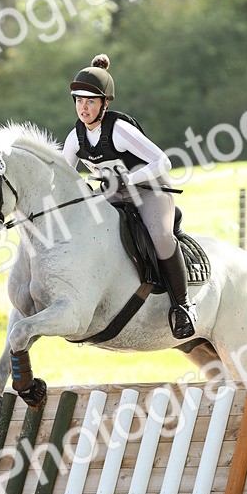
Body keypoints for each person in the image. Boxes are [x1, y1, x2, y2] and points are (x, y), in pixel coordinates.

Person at [62, 53, 197, 340]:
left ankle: (184, 307)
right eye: (79, 101)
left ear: (104, 104)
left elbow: (163, 161)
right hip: (113, 195)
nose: (83, 108)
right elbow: (64, 177)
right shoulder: (75, 138)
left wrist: (128, 179)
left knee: (160, 236)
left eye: (90, 102)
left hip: (150, 191)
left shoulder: (119, 130)